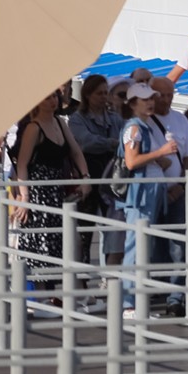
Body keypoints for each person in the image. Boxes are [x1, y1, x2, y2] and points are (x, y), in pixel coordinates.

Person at [13, 91, 91, 306]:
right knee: (40, 244)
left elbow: (76, 152)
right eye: (48, 97)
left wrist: (85, 177)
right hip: (38, 190)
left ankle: (53, 295)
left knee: (61, 242)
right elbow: (22, 164)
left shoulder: (59, 122)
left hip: (56, 190)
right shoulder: (33, 127)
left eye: (55, 97)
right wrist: (25, 196)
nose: (53, 101)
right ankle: (38, 297)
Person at [118, 85, 179, 319]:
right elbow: (131, 161)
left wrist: (160, 159)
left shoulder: (145, 127)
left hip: (150, 192)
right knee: (135, 248)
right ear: (132, 103)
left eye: (151, 99)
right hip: (141, 194)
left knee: (144, 248)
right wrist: (160, 153)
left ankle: (136, 302)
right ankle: (128, 303)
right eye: (143, 100)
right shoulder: (134, 127)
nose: (150, 103)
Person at [68, 75, 125, 268]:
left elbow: (123, 142)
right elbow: (86, 142)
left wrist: (113, 145)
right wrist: (112, 143)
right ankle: (82, 278)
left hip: (112, 177)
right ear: (88, 95)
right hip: (90, 174)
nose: (103, 97)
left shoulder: (115, 118)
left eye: (105, 93)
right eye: (98, 93)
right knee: (85, 230)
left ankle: (109, 273)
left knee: (114, 228)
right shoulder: (77, 119)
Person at [149, 82, 188, 312]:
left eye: (170, 95)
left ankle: (175, 296)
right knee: (153, 244)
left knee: (178, 244)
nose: (167, 100)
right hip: (152, 192)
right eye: (162, 96)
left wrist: (182, 185)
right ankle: (158, 288)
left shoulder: (181, 120)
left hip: (177, 190)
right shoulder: (144, 122)